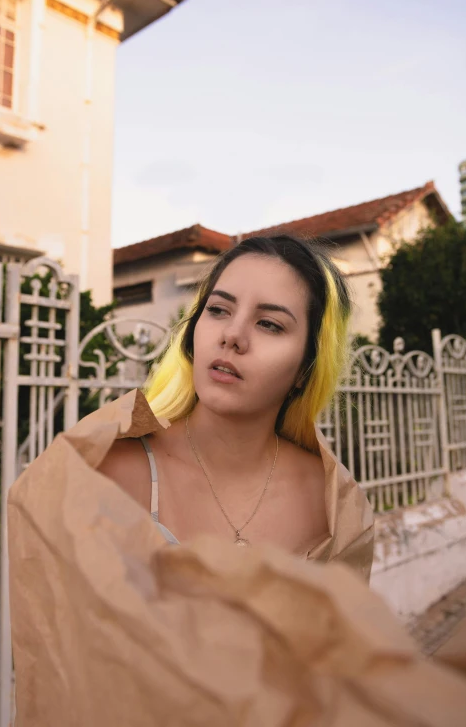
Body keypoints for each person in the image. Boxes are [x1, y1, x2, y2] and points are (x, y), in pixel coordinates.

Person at [99, 234, 374, 568]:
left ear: (306, 367)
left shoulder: (333, 504)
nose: (232, 335)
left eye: (270, 324)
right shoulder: (111, 469)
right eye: (217, 310)